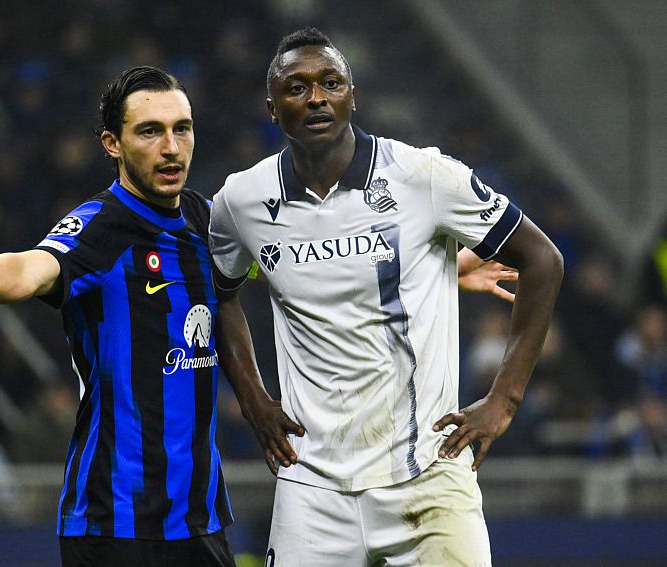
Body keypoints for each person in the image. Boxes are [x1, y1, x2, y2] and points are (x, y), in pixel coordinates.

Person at [0, 65, 301, 567]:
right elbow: (31, 269)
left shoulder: (207, 221)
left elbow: (252, 287)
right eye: (150, 131)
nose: (172, 146)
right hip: (114, 524)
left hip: (199, 519)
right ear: (113, 144)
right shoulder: (100, 228)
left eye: (182, 128)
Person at [208, 28, 564, 566]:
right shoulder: (241, 202)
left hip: (427, 475)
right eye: (297, 87)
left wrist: (504, 400)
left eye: (331, 83)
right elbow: (219, 291)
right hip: (312, 485)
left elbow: (542, 260)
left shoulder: (423, 177)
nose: (317, 98)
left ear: (353, 96)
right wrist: (253, 398)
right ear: (272, 108)